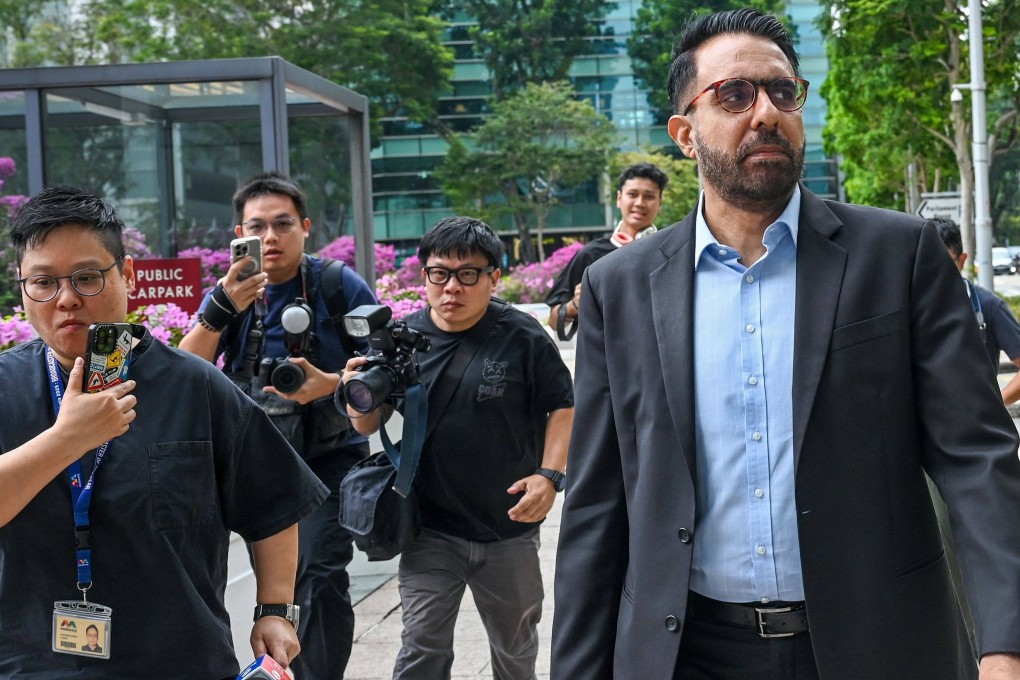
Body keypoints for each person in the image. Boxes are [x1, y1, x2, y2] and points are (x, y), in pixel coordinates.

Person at [550, 8, 1020, 680]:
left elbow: (976, 457)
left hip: (878, 644)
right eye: (734, 95)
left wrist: (1005, 642)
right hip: (686, 651)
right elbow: (597, 505)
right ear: (685, 133)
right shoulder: (618, 289)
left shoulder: (897, 256)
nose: (765, 112)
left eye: (783, 92)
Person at [0, 186, 328, 678]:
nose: (66, 299)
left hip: (178, 658)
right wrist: (66, 439)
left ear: (127, 275)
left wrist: (276, 609)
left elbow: (274, 499)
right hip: (31, 663)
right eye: (43, 282)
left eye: (88, 277)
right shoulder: (5, 388)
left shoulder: (195, 386)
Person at [341, 216, 574, 679]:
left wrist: (549, 477)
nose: (452, 287)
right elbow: (369, 420)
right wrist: (355, 391)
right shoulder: (401, 341)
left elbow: (562, 406)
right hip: (431, 528)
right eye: (439, 273)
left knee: (515, 650)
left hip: (509, 526)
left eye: (468, 274)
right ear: (424, 275)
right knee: (421, 649)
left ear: (492, 277)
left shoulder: (522, 336)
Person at [178, 172, 377, 679]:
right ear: (239, 232)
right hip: (250, 458)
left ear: (305, 228)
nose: (270, 237)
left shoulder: (337, 284)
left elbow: (382, 372)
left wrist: (329, 384)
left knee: (320, 572)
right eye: (257, 226)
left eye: (283, 224)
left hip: (329, 455)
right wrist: (221, 309)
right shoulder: (232, 293)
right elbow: (184, 372)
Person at [544, 162, 668, 338]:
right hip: (606, 361)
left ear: (659, 203)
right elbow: (554, 321)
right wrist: (575, 305)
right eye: (632, 194)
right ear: (619, 198)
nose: (640, 203)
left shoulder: (670, 251)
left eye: (649, 196)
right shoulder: (591, 254)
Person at [934, 217, 1020, 405]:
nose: (937, 273)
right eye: (930, 265)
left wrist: (997, 404)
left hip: (978, 428)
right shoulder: (911, 308)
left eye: (946, 264)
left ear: (962, 260)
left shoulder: (989, 306)